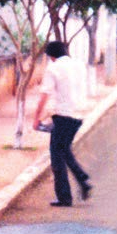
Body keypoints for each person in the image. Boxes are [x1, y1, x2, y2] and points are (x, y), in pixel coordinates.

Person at [33, 40, 93, 207]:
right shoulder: (79, 65)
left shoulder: (53, 68)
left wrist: (37, 118)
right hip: (79, 115)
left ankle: (65, 197)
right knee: (64, 149)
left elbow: (45, 95)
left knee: (56, 157)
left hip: (63, 116)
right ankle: (82, 180)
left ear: (51, 56)